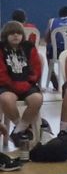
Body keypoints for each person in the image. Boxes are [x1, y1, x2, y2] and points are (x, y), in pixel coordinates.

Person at [0, 21, 44, 150]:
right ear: (5, 35)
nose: (16, 35)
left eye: (18, 33)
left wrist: (28, 82)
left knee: (37, 99)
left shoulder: (29, 47)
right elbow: (1, 73)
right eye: (12, 33)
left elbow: (36, 69)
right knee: (6, 99)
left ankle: (18, 131)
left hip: (27, 84)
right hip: (7, 85)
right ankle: (22, 128)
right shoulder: (1, 48)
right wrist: (14, 85)